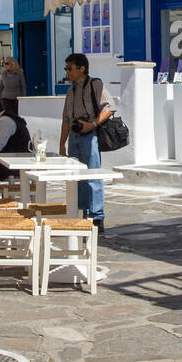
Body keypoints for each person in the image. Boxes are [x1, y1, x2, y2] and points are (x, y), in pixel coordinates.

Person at [59, 52, 115, 232]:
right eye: (66, 68)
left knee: (93, 175)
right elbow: (66, 119)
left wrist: (92, 125)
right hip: (75, 137)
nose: (67, 72)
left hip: (90, 135)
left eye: (70, 68)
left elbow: (109, 107)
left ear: (82, 68)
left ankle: (97, 216)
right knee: (78, 177)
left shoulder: (95, 85)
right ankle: (83, 213)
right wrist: (62, 143)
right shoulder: (71, 90)